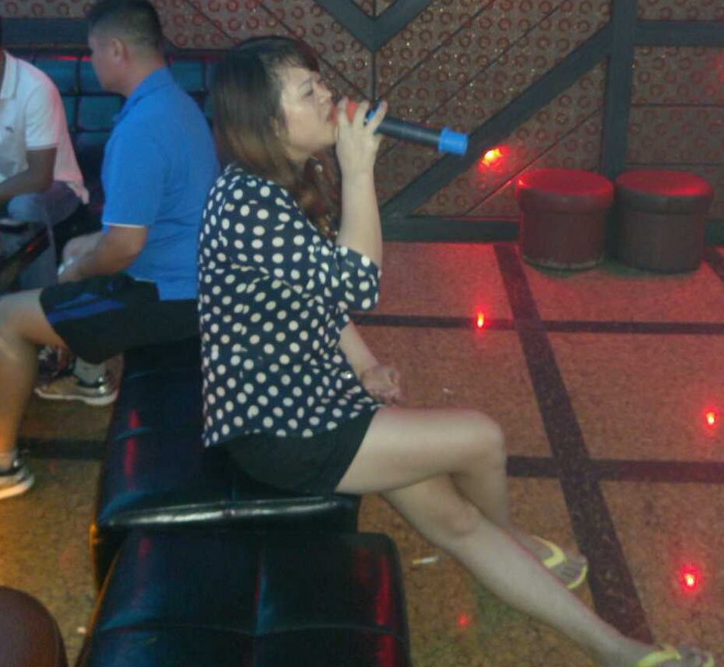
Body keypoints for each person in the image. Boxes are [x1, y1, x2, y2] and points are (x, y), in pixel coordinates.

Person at [197, 36, 714, 667]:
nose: (330, 95)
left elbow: (317, 299)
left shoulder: (287, 178)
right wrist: (359, 171)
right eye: (309, 91)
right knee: (481, 438)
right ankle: (513, 538)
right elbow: (359, 285)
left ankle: (616, 650)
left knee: (456, 521)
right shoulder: (247, 202)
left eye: (321, 81)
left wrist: (365, 365)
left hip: (314, 394)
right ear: (267, 122)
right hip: (280, 429)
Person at [0, 0, 218, 504]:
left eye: (93, 51)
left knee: (8, 318)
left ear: (116, 50)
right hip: (185, 277)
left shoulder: (142, 127)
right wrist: (85, 250)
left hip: (168, 296)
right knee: (79, 252)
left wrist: (77, 270)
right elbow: (133, 230)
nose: (92, 61)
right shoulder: (174, 104)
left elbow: (125, 247)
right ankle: (87, 378)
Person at [0, 0, 87, 289]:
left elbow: (39, 178)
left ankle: (42, 300)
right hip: (2, 179)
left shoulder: (35, 88)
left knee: (25, 205)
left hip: (57, 187)